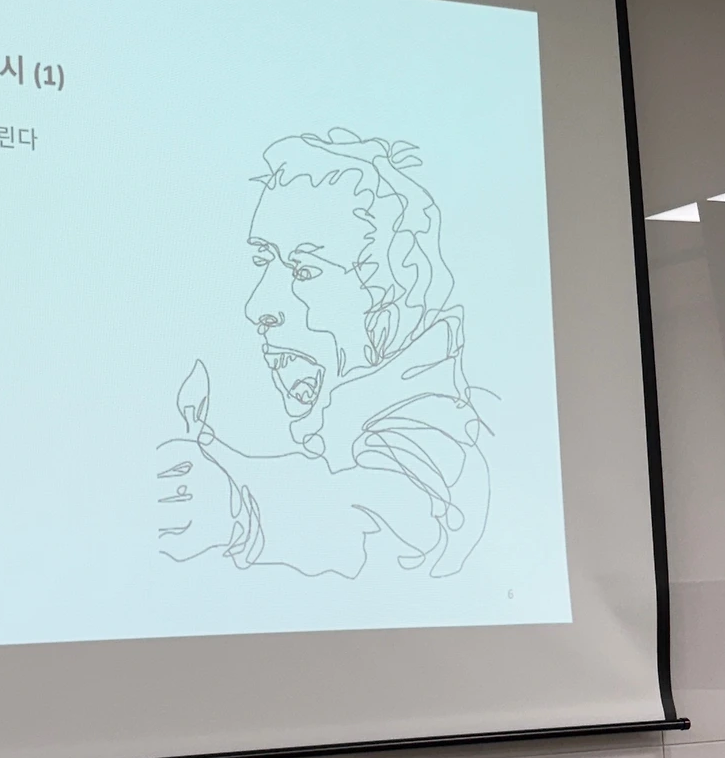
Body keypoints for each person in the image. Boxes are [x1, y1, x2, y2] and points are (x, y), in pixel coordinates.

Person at [156, 129, 490, 580]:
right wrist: (227, 469)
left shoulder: (430, 435)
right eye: (263, 261)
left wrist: (240, 512)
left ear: (389, 299)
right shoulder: (353, 424)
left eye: (305, 271)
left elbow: (400, 517)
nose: (258, 307)